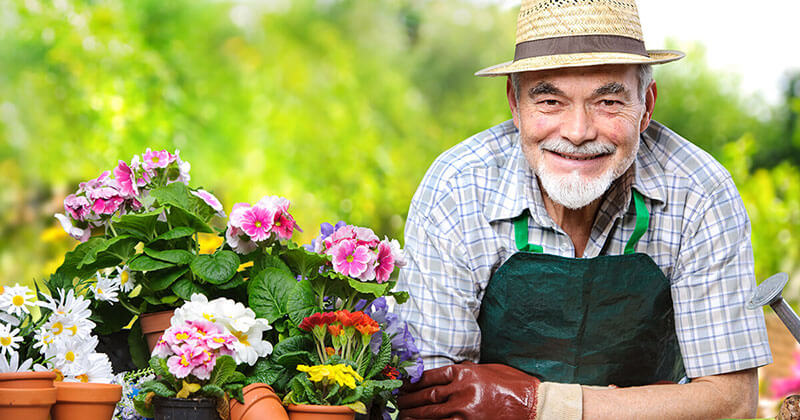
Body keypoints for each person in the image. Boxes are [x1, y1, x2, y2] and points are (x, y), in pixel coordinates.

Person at [395, 0, 772, 418]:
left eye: (607, 102)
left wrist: (540, 405)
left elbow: (733, 402)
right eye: (550, 101)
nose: (577, 133)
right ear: (515, 104)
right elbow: (432, 401)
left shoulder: (699, 192)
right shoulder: (457, 189)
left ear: (646, 105)